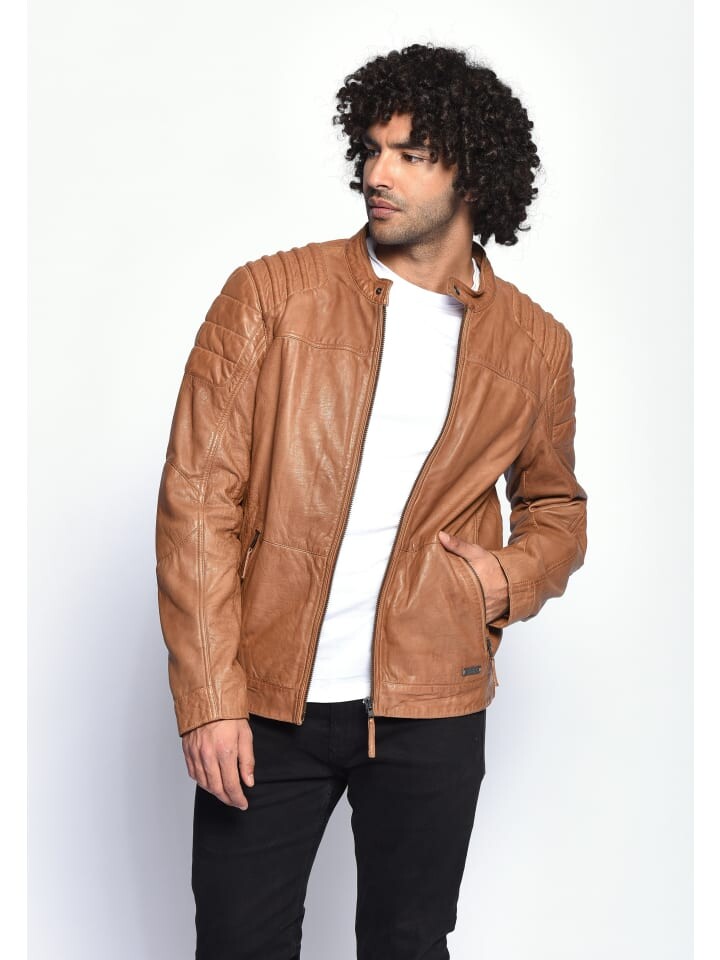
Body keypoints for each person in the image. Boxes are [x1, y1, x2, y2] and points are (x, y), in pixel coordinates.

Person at [155, 42, 587, 960]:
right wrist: (210, 698)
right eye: (371, 149)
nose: (375, 175)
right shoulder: (272, 296)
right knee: (237, 943)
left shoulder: (534, 345)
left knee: (408, 944)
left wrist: (504, 580)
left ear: (473, 175)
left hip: (432, 703)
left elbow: (557, 508)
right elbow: (197, 500)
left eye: (410, 155)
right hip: (267, 701)